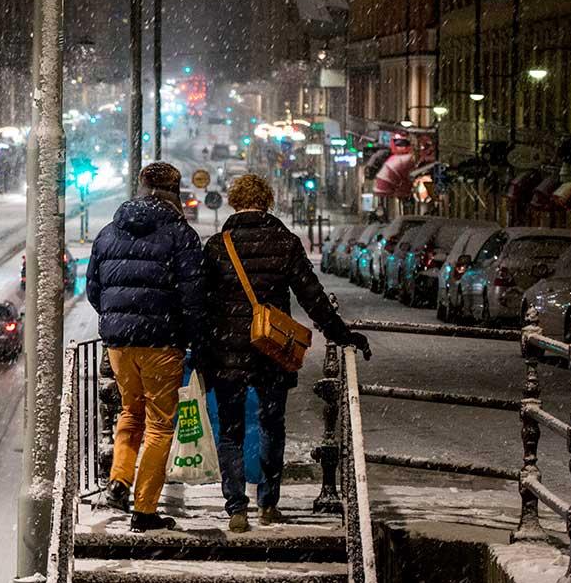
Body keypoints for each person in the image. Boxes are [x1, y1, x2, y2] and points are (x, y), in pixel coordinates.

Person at [200, 174, 370, 533]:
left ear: (233, 202)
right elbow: (313, 297)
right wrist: (341, 334)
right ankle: (268, 502)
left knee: (229, 431)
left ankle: (235, 507)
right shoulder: (285, 243)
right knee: (271, 424)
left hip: (227, 351)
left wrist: (201, 349)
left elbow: (202, 305)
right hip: (271, 350)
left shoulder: (218, 245)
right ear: (268, 202)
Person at [86, 162, 206, 532]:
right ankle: (145, 509)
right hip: (161, 341)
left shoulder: (108, 233)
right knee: (159, 424)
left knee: (129, 412)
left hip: (120, 343)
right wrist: (194, 337)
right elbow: (193, 295)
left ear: (139, 188)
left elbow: (94, 289)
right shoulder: (180, 236)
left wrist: (119, 320)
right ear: (175, 191)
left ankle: (120, 479)